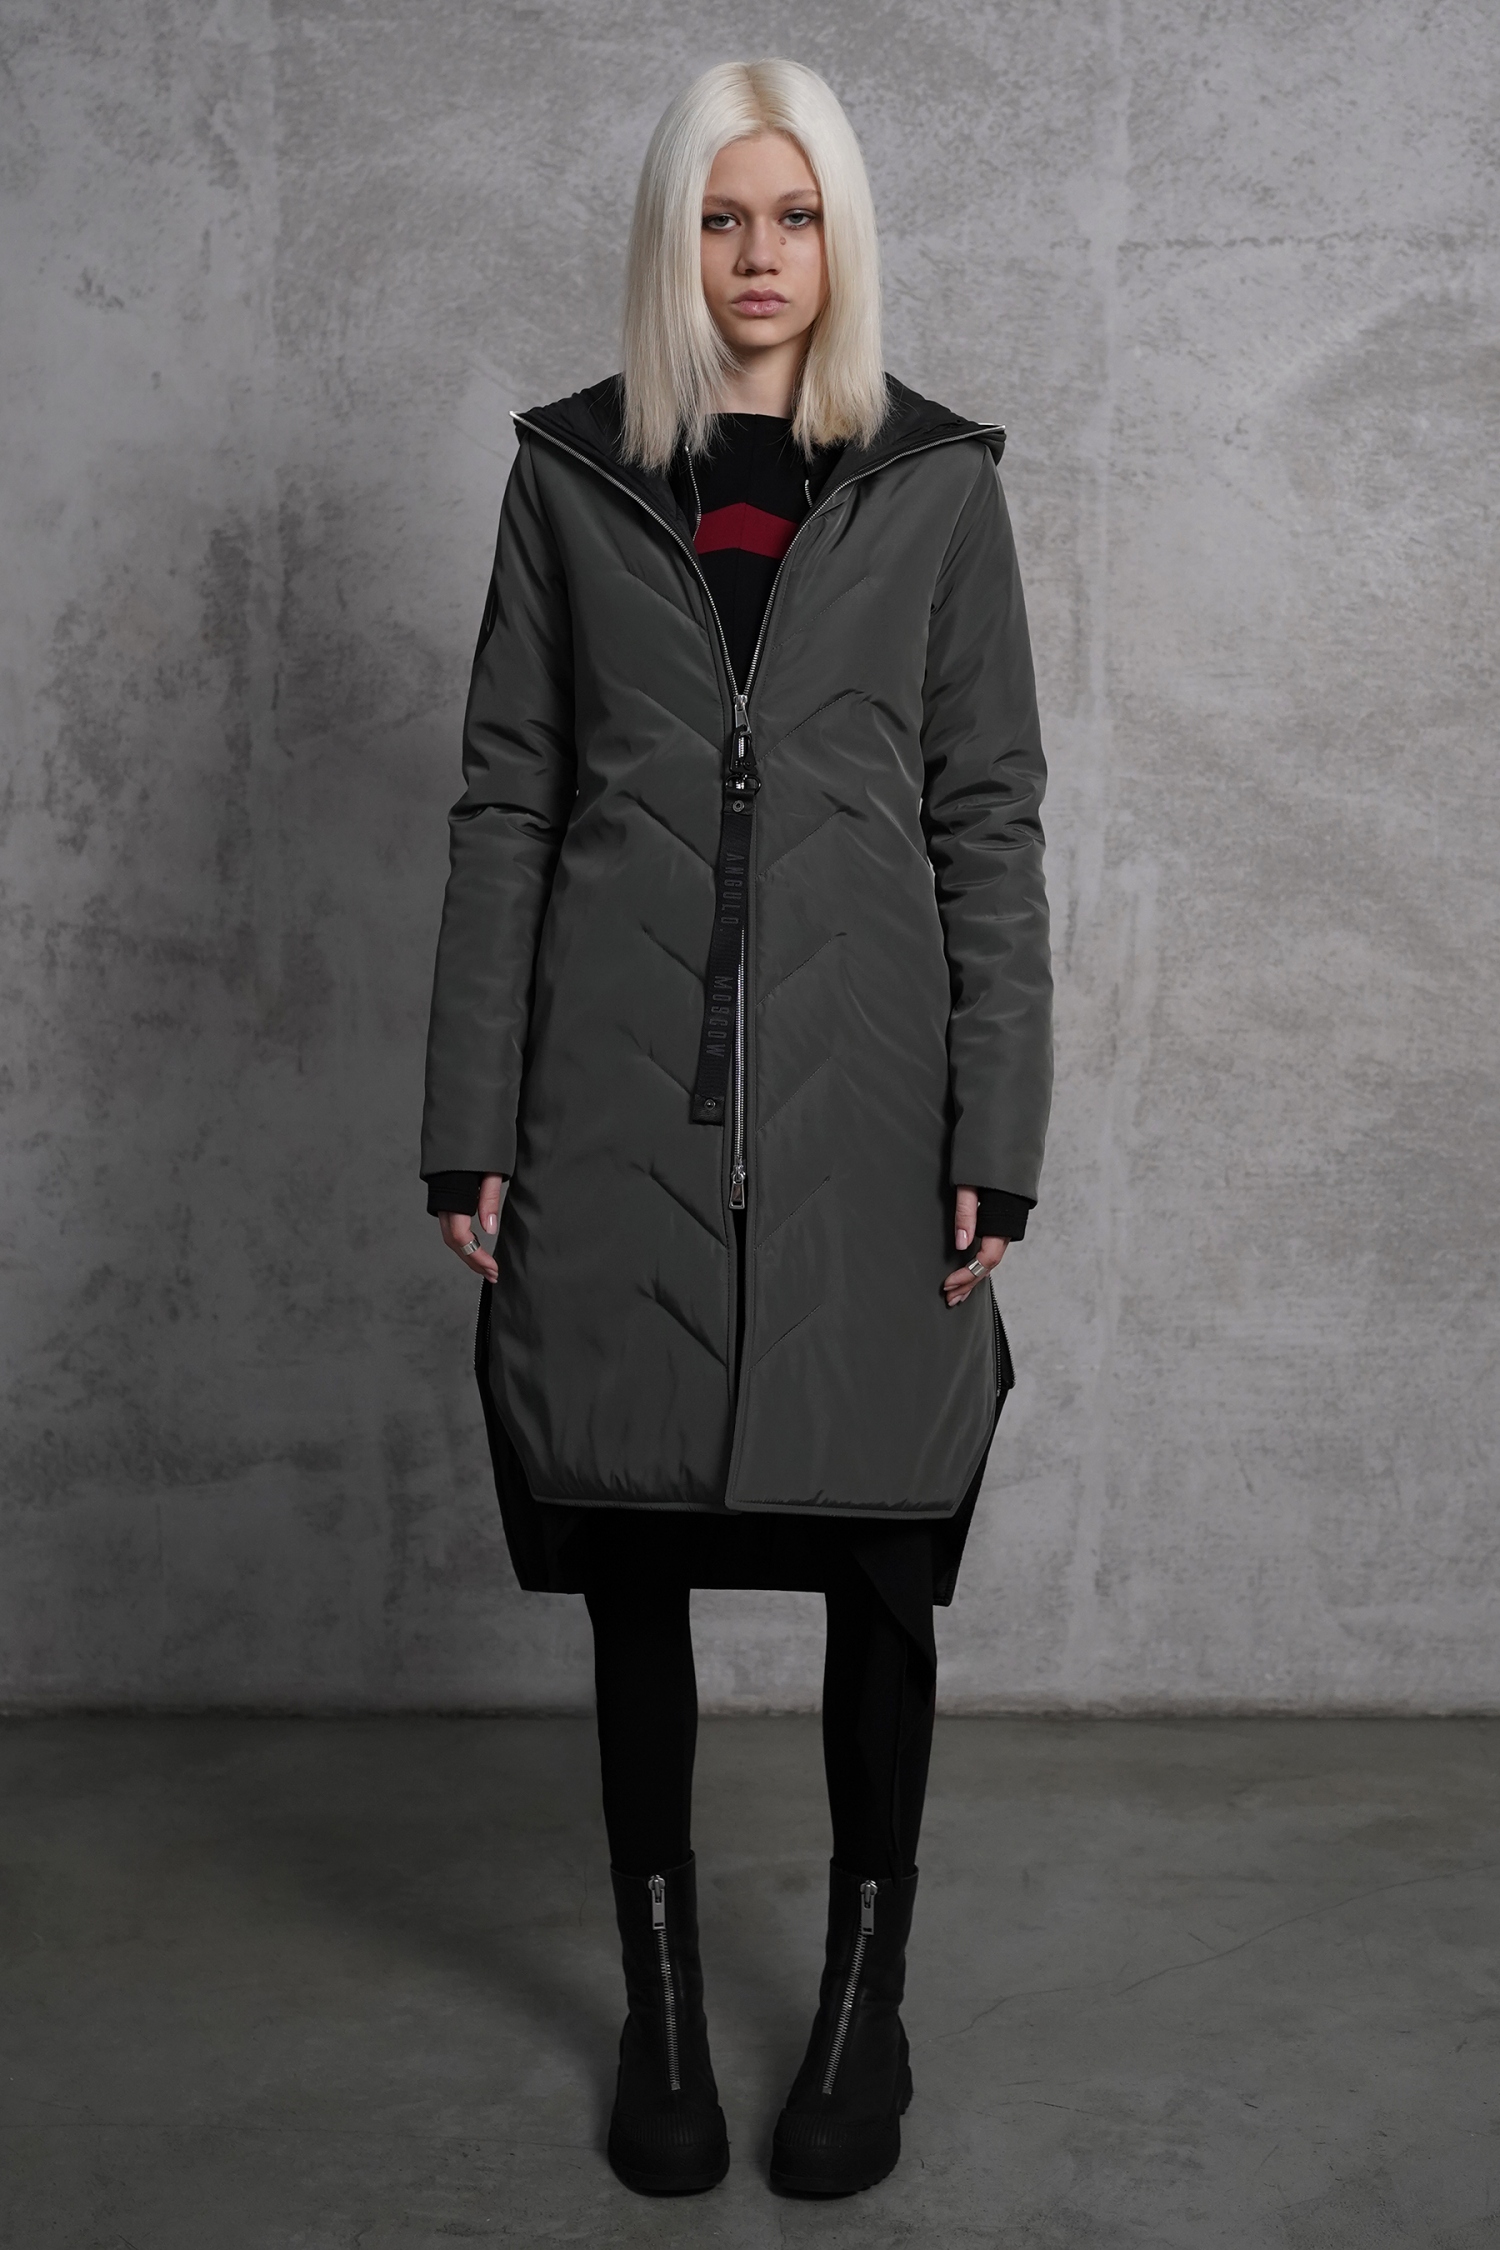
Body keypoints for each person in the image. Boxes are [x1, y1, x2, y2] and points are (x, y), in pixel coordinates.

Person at [420, 57, 1051, 2201]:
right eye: (720, 217)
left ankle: (867, 2006)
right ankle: (664, 2014)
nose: (759, 256)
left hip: (874, 1112)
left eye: (792, 215)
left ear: (839, 235)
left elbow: (988, 820)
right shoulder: (571, 479)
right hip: (614, 1106)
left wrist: (1001, 1118)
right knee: (635, 1567)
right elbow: (507, 800)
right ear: (671, 240)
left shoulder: (938, 486)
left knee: (885, 1567)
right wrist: (468, 1118)